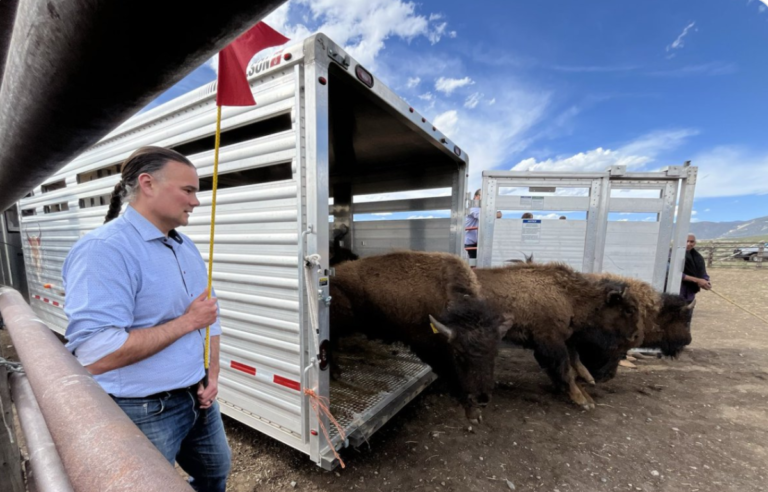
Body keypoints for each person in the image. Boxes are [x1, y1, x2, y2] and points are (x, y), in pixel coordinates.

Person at [63, 146, 231, 491]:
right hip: (143, 408)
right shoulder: (105, 249)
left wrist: (211, 374)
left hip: (197, 396)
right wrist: (186, 322)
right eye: (188, 190)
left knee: (214, 475)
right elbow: (97, 354)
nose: (196, 202)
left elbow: (209, 316)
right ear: (147, 184)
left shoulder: (185, 246)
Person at [680, 233, 711, 306]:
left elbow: (703, 273)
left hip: (690, 293)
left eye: (691, 241)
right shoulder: (672, 255)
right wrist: (697, 280)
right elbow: (674, 274)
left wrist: (706, 282)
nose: (689, 244)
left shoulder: (698, 258)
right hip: (676, 292)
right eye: (686, 241)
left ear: (695, 243)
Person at [464, 189, 481, 259]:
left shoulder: (479, 208)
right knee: (473, 263)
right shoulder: (473, 208)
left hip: (475, 242)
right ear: (476, 197)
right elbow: (484, 216)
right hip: (470, 243)